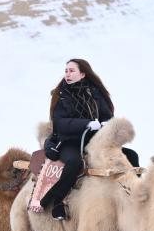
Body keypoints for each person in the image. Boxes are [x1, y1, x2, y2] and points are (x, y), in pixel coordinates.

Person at [40, 58, 137, 221]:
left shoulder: (95, 93)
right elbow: (60, 123)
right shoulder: (61, 96)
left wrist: (107, 123)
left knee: (131, 155)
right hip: (68, 141)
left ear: (83, 74)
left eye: (71, 71)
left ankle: (134, 196)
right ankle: (57, 201)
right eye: (66, 71)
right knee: (74, 163)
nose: (67, 74)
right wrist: (86, 124)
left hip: (94, 143)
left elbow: (107, 115)